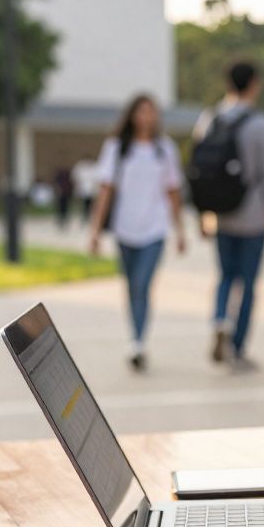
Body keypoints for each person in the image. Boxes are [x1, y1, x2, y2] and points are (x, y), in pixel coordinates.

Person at [193, 61, 264, 372]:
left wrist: (202, 215)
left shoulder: (209, 119)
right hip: (252, 216)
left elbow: (200, 172)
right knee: (248, 282)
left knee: (224, 276)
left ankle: (220, 319)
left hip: (221, 215)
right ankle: (237, 346)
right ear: (254, 84)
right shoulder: (262, 124)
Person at [89, 94, 186, 373]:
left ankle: (139, 342)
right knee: (132, 286)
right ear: (132, 115)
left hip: (155, 228)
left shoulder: (164, 150)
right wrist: (95, 230)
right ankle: (134, 334)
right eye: (141, 111)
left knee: (143, 284)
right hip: (125, 228)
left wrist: (179, 230)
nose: (146, 117)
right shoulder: (117, 147)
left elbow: (173, 191)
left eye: (151, 112)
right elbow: (105, 190)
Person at [73, 154, 100, 225]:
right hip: (84, 188)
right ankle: (84, 217)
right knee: (84, 204)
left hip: (92, 189)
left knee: (91, 204)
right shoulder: (80, 166)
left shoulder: (94, 167)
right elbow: (76, 177)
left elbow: (97, 178)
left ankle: (90, 217)